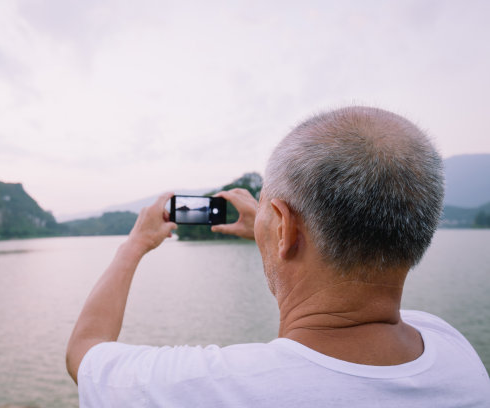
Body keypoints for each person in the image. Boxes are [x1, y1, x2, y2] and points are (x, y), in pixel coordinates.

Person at [66, 106, 490, 407]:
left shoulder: (204, 387)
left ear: (284, 228)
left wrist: (134, 244)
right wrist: (276, 235)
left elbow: (85, 352)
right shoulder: (453, 351)